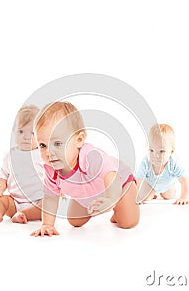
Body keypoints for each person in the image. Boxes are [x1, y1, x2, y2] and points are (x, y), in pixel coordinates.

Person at [30, 101, 139, 237]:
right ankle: (102, 203)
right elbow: (50, 198)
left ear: (79, 140)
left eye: (57, 144)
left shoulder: (91, 157)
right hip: (88, 192)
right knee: (74, 221)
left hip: (120, 185)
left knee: (128, 222)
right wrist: (47, 225)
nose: (49, 152)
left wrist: (111, 199)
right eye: (42, 145)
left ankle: (129, 195)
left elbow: (112, 176)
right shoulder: (51, 171)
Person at [0, 105, 44, 223]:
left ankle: (23, 214)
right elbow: (4, 175)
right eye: (21, 131)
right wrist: (0, 188)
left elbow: (53, 174)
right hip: (15, 202)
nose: (26, 137)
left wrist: (60, 188)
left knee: (49, 205)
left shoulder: (42, 154)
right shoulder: (10, 155)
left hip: (37, 202)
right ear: (13, 132)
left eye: (32, 133)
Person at [135, 124, 189, 205]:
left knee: (169, 196)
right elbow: (138, 181)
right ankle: (152, 193)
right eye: (151, 150)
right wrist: (136, 197)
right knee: (145, 198)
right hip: (150, 184)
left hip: (167, 185)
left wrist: (184, 197)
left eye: (161, 151)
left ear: (171, 152)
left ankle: (170, 190)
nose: (155, 155)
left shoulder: (173, 163)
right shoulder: (145, 162)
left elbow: (185, 180)